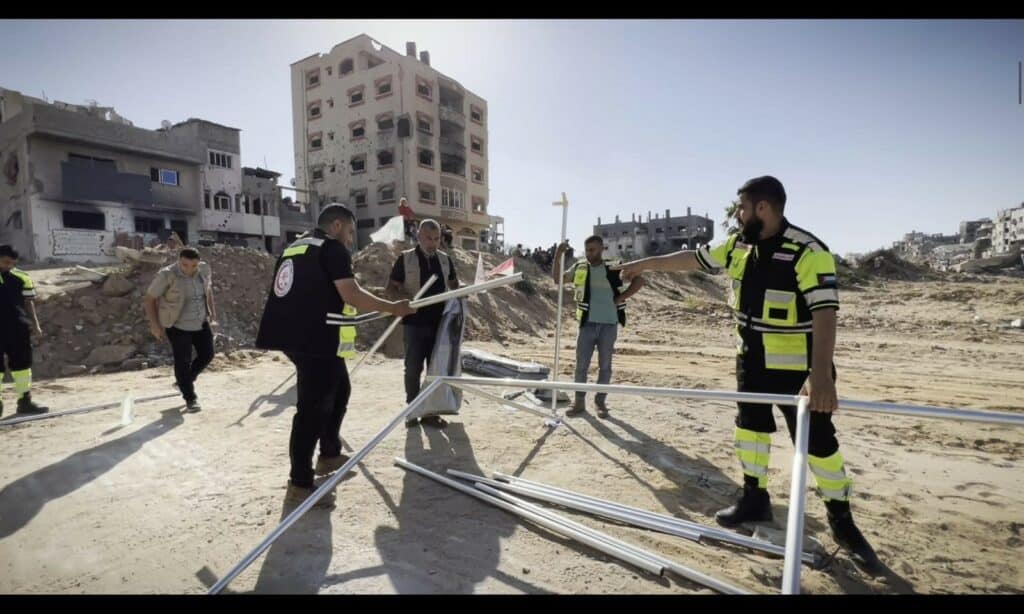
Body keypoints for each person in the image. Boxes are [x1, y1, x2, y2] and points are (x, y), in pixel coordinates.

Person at [614, 176, 880, 571]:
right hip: (751, 360)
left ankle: (842, 521)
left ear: (763, 208)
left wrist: (820, 376)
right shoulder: (739, 245)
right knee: (750, 431)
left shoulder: (809, 251)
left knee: (819, 445)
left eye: (741, 208)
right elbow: (693, 258)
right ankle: (755, 499)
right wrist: (644, 265)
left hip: (799, 369)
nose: (737, 215)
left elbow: (825, 312)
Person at [256, 203, 415, 507]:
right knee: (312, 409)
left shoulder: (295, 248)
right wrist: (393, 308)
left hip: (291, 333)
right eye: (351, 232)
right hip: (314, 337)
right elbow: (351, 294)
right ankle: (300, 484)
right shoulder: (331, 248)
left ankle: (328, 454)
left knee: (340, 389)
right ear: (337, 225)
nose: (351, 240)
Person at [552, 235, 644, 417]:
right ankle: (579, 403)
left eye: (593, 250)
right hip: (586, 324)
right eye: (587, 250)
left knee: (605, 366)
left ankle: (600, 403)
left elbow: (639, 281)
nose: (589, 254)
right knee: (581, 366)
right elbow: (558, 280)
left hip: (609, 324)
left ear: (602, 249)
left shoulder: (613, 267)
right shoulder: (580, 267)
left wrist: (621, 297)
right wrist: (558, 256)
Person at [388, 219, 460, 428]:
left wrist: (461, 295)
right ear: (418, 236)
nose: (432, 243)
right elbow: (391, 288)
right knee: (412, 368)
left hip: (440, 326)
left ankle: (430, 413)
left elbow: (455, 286)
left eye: (436, 239)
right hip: (414, 324)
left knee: (435, 370)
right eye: (428, 238)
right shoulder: (406, 259)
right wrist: (405, 299)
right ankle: (412, 410)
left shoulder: (445, 260)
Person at [144, 247, 216, 413]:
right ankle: (190, 398)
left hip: (200, 322)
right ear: (179, 261)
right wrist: (154, 325)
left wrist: (213, 313)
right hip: (177, 325)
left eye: (193, 265)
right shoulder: (167, 275)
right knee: (182, 361)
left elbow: (208, 290)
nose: (189, 269)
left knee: (207, 355)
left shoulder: (204, 270)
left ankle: (184, 382)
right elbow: (149, 299)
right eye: (185, 265)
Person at [0, 245, 47, 416]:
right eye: (6, 262)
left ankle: (24, 402)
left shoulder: (22, 277)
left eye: (12, 263)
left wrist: (35, 324)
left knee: (22, 365)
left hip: (17, 327)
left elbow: (29, 302)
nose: (9, 266)